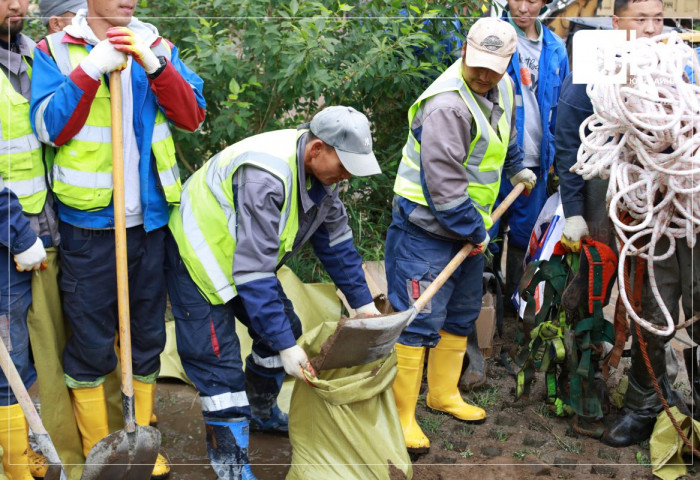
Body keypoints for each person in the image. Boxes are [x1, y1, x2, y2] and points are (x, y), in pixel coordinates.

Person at [29, 0, 206, 477]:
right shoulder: (56, 51)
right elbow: (48, 129)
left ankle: (139, 440)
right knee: (88, 343)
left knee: (147, 338)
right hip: (87, 228)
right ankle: (99, 452)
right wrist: (89, 70)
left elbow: (192, 117)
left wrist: (156, 66)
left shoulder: (159, 46)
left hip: (148, 225)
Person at [165, 105, 382, 478]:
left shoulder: (324, 181)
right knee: (219, 367)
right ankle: (232, 468)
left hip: (242, 257)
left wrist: (364, 307)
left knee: (283, 329)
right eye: (344, 165)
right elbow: (252, 272)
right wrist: (286, 347)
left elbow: (337, 246)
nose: (347, 176)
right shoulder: (265, 177)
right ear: (316, 150)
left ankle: (262, 411)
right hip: (198, 256)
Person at [385, 17, 536, 452]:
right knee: (418, 319)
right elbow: (445, 188)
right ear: (464, 51)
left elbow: (503, 137)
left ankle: (443, 393)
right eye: (478, 64)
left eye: (495, 66)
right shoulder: (447, 106)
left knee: (461, 313)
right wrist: (476, 231)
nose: (484, 75)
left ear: (508, 62)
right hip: (426, 229)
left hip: (470, 228)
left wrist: (515, 167)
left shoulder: (502, 87)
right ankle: (401, 415)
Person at [556, 0, 697, 447]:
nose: (653, 28)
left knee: (697, 303)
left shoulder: (685, 62)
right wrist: (574, 210)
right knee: (647, 310)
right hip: (634, 207)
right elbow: (569, 139)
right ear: (617, 24)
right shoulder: (600, 67)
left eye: (659, 18)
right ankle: (640, 404)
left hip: (689, 204)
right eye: (641, 19)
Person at [0, 0, 54, 478]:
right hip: (6, 230)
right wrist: (18, 233)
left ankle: (22, 445)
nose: (18, 4)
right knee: (8, 345)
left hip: (33, 223)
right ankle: (16, 462)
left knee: (23, 342)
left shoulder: (33, 55)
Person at [490, 0, 570, 313]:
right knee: (487, 234)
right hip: (494, 162)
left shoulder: (556, 48)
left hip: (536, 159)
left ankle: (514, 308)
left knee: (525, 240)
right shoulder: (493, 37)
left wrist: (558, 163)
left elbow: (560, 109)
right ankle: (485, 305)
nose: (524, 7)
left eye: (533, 0)